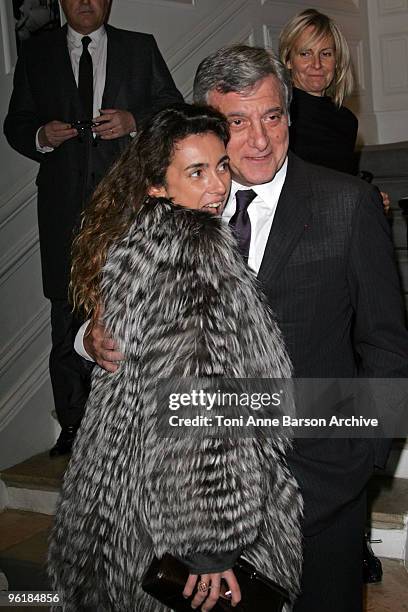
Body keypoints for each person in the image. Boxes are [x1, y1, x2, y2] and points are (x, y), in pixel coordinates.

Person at [80, 46, 408, 611]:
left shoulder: (347, 206)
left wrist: (358, 463)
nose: (259, 140)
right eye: (237, 121)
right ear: (209, 122)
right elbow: (111, 303)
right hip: (188, 495)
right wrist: (90, 339)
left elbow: (387, 347)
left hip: (318, 491)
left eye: (273, 116)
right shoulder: (172, 200)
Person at [48, 104, 303, 611]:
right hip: (182, 519)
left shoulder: (138, 243)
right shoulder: (197, 258)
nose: (217, 186)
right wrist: (211, 545)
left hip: (121, 498)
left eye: (221, 166)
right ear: (157, 185)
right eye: (196, 172)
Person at [3, 0, 183, 457]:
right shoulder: (37, 53)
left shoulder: (140, 49)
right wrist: (43, 136)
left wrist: (133, 122)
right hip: (62, 213)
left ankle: (139, 422)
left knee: (138, 311)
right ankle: (73, 424)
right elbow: (16, 124)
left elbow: (173, 109)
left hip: (127, 208)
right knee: (66, 319)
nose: (85, 2)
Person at [279, 8, 390, 211]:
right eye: (305, 54)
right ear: (288, 60)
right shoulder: (278, 115)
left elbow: (339, 179)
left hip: (335, 215)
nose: (317, 64)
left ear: (337, 61)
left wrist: (364, 193)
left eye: (326, 54)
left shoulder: (346, 120)